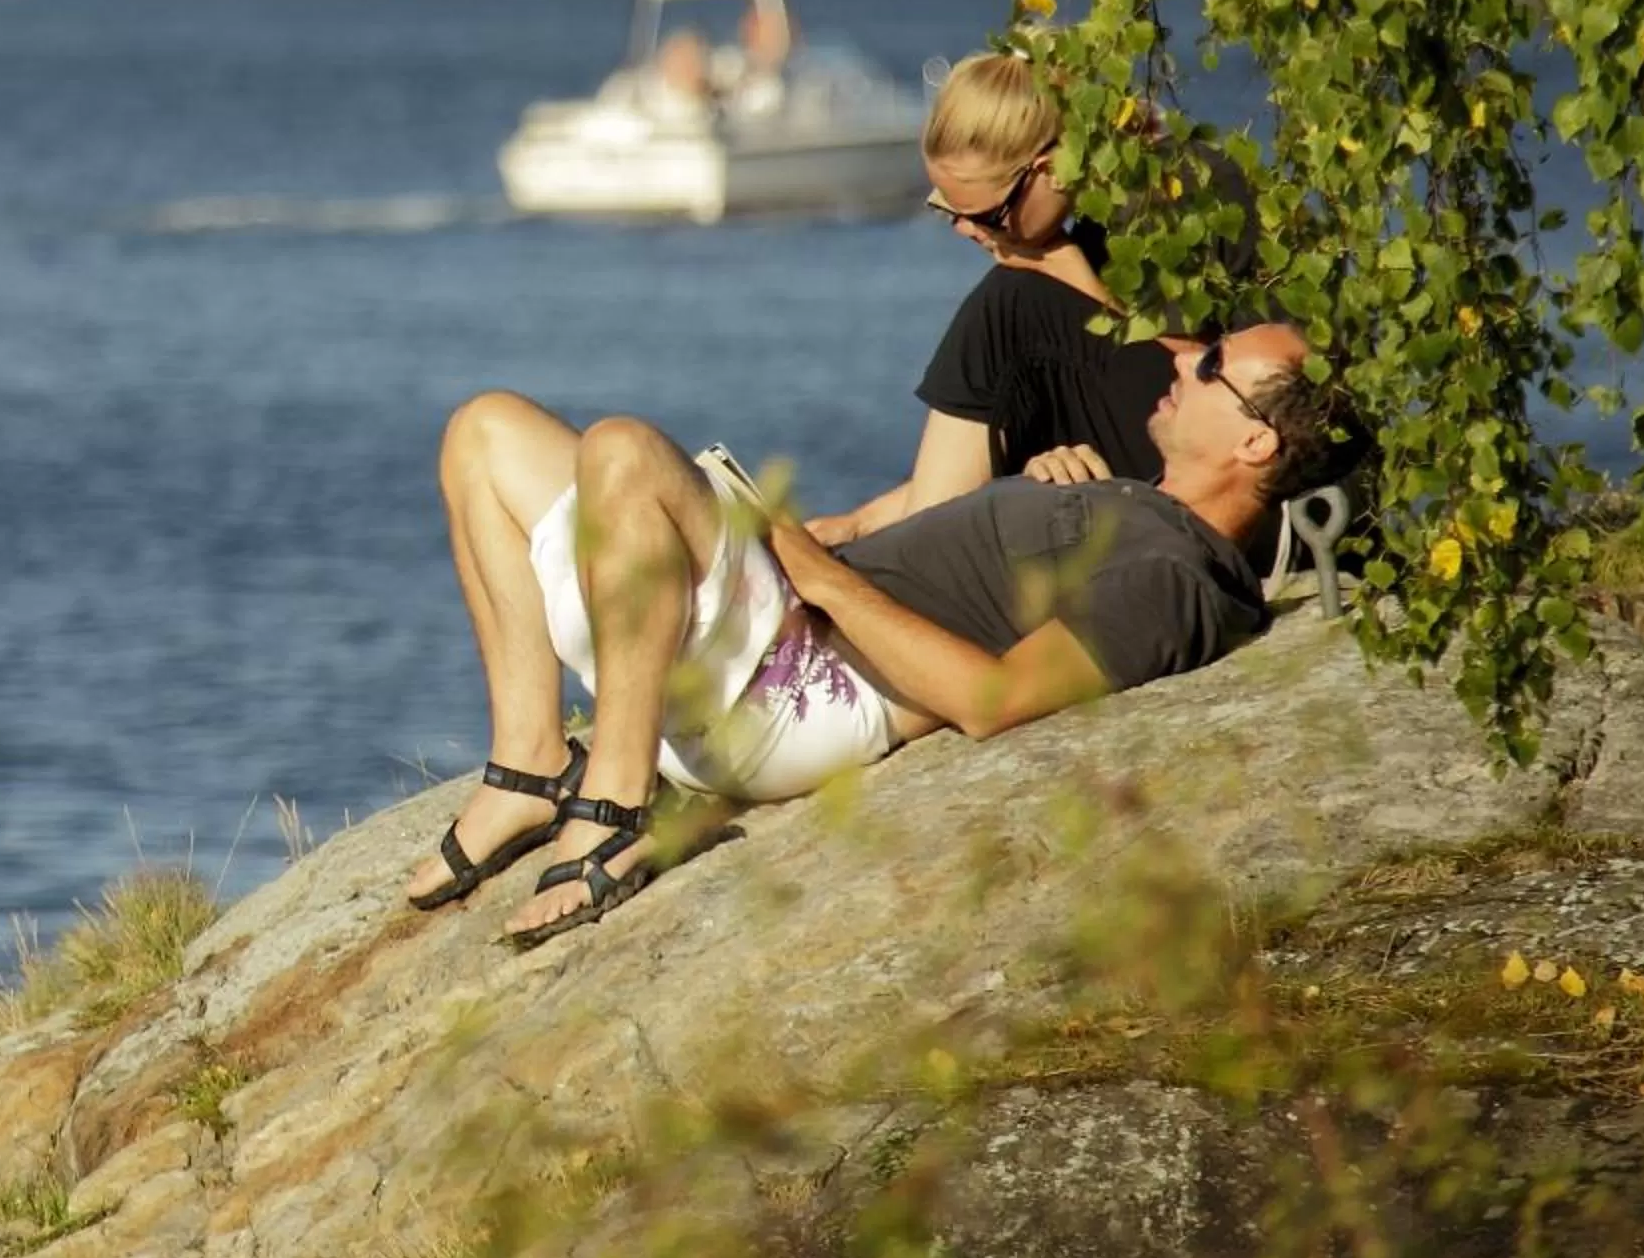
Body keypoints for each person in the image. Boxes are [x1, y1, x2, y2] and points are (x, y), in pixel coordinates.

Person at [402, 321, 1364, 948]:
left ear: (1255, 444)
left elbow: (996, 702)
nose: (1180, 361)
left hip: (807, 682)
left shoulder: (1173, 578)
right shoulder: (1131, 507)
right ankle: (529, 769)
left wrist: (816, 578)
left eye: (1209, 369)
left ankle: (611, 808)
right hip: (774, 627)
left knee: (623, 445)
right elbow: (959, 551)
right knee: (485, 432)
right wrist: (854, 533)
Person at [810, 52, 1259, 546]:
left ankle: (919, 549)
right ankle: (901, 538)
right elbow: (982, 426)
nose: (965, 230)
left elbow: (1216, 375)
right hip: (1177, 443)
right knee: (1024, 321)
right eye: (948, 210)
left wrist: (1066, 268)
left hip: (1245, 471)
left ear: (1050, 170)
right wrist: (859, 522)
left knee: (1015, 300)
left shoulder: (1172, 192)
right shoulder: (1102, 206)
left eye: (985, 215)